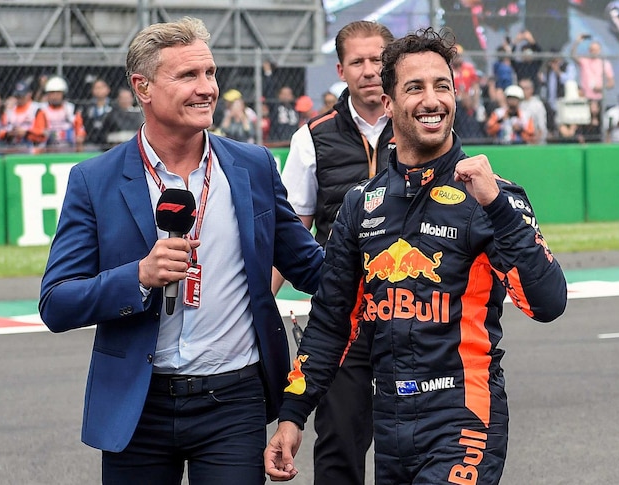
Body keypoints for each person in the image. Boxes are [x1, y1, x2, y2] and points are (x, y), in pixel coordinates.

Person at [265, 26, 567, 485]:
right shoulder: (360, 204)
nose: (432, 100)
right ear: (388, 103)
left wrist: (498, 208)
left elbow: (547, 303)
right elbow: (331, 321)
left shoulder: (491, 196)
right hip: (392, 421)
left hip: (463, 418)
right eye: (415, 88)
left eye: (442, 86)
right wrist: (292, 415)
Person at [39, 17, 323, 485]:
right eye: (188, 76)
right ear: (142, 87)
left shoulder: (253, 165)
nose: (206, 88)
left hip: (234, 400)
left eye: (210, 73)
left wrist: (379, 247)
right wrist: (139, 276)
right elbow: (56, 303)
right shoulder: (94, 180)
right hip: (138, 405)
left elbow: (312, 268)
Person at [277, 19, 395, 485]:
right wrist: (262, 304)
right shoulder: (311, 137)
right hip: (342, 315)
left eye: (378, 60)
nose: (370, 70)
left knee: (409, 442)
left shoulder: (422, 123)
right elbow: (290, 233)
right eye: (358, 62)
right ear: (341, 69)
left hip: (411, 313)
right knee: (340, 440)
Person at [0, 79, 46, 154]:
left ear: (29, 94)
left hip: (31, 144)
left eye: (22, 96)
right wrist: (9, 133)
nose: (19, 98)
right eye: (17, 96)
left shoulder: (36, 109)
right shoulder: (10, 109)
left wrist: (26, 133)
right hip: (12, 144)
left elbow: (42, 133)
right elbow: (0, 132)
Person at [39, 76, 86, 152]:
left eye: (58, 93)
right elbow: (39, 130)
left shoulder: (71, 108)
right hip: (48, 144)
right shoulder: (42, 109)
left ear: (63, 94)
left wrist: (78, 135)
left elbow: (79, 127)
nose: (55, 96)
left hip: (69, 144)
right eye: (52, 93)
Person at [570, 34, 614, 103]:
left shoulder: (605, 63)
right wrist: (577, 42)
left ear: (600, 50)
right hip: (584, 97)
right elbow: (573, 56)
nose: (594, 52)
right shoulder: (584, 60)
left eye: (596, 50)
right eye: (592, 50)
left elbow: (611, 83)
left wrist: (601, 88)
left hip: (598, 97)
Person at [80, 77, 113, 149]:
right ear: (92, 90)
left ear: (108, 89)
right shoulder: (87, 108)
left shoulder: (114, 107)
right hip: (91, 141)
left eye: (102, 87)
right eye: (97, 87)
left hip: (109, 141)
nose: (99, 90)